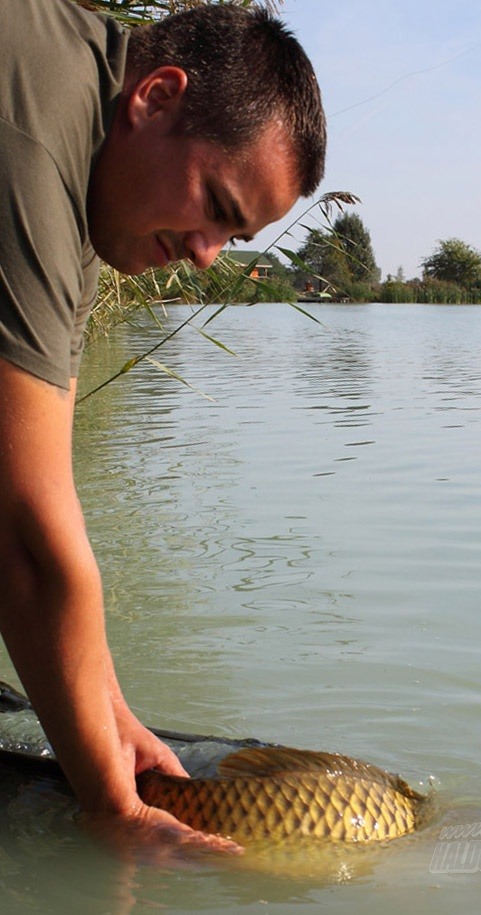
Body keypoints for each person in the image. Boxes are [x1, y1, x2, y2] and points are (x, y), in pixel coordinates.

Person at [0, 0, 326, 854]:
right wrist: (115, 814)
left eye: (234, 234)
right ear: (156, 96)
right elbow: (23, 539)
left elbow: (44, 484)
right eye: (215, 204)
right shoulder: (31, 129)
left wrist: (113, 716)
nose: (207, 252)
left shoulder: (89, 192)